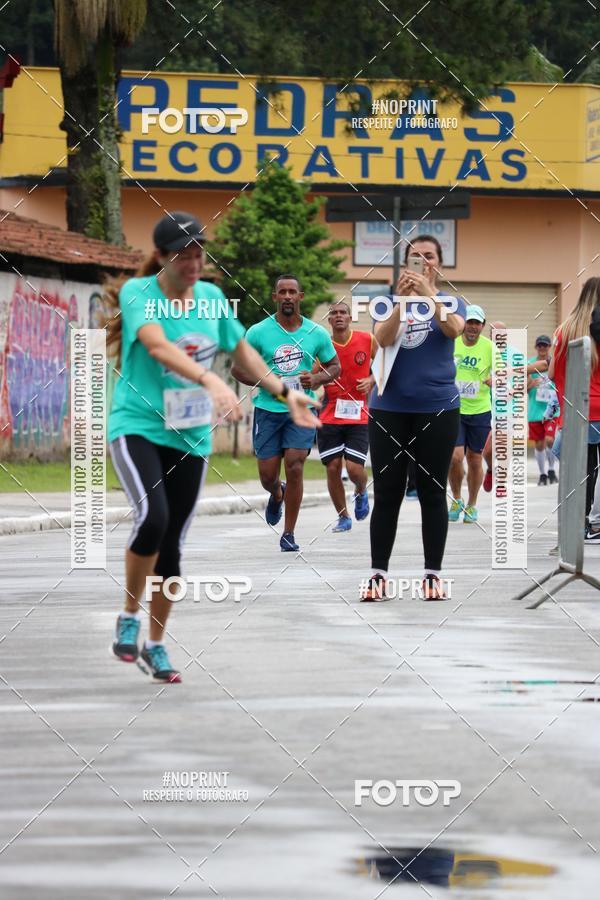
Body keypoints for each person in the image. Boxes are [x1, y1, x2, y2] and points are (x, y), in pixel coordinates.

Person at [105, 214, 319, 682]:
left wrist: (287, 393)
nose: (195, 261)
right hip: (138, 425)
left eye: (200, 252)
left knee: (174, 547)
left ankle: (157, 645)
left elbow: (242, 352)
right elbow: (157, 346)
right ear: (162, 257)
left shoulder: (213, 299)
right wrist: (208, 380)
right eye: (184, 254)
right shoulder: (139, 295)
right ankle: (128, 615)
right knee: (153, 518)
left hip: (189, 435)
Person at [361, 235, 466, 601]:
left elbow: (454, 330)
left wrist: (429, 295)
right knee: (387, 493)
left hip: (437, 407)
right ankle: (377, 576)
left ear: (438, 263)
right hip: (389, 408)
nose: (422, 261)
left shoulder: (453, 301)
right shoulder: (387, 302)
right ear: (404, 264)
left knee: (431, 492)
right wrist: (404, 302)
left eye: (429, 256)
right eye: (415, 257)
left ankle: (432, 576)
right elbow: (381, 340)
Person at [231, 275, 340, 552]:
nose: (288, 296)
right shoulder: (257, 332)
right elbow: (237, 369)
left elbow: (334, 366)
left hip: (300, 410)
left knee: (295, 465)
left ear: (301, 297)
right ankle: (276, 493)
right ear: (275, 297)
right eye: (283, 292)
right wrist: (264, 379)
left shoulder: (316, 333)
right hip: (268, 409)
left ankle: (289, 533)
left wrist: (316, 381)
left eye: (293, 292)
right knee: (267, 476)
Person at [315, 301, 377, 531]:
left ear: (351, 318)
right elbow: (312, 376)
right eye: (334, 313)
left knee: (354, 469)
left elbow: (385, 363)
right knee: (332, 468)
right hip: (330, 413)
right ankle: (343, 517)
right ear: (329, 320)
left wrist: (372, 380)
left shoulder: (367, 339)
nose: (339, 316)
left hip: (358, 414)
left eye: (343, 313)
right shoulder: (322, 345)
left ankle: (361, 490)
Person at [549, 278, 600, 537]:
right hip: (599, 409)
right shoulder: (596, 330)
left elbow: (551, 372)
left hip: (574, 409)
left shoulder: (564, 330)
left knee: (582, 469)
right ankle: (596, 523)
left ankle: (578, 524)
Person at [448, 304, 494, 524]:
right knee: (455, 457)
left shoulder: (489, 348)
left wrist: (495, 380)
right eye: (470, 322)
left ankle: (472, 504)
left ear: (483, 326)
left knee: (475, 459)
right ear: (463, 323)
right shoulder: (451, 343)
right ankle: (456, 498)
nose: (473, 327)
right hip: (454, 409)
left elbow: (502, 373)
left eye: (477, 323)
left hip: (480, 410)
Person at [528, 335, 559, 486]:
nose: (542, 348)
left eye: (545, 346)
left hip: (552, 409)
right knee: (539, 444)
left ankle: (552, 469)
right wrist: (533, 382)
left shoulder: (555, 362)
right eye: (539, 346)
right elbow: (522, 387)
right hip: (535, 411)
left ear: (549, 347)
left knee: (550, 440)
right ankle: (542, 474)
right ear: (536, 347)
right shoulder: (530, 364)